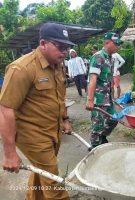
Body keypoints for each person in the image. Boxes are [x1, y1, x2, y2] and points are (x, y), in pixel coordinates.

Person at [0, 22, 74, 200]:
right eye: (59, 46)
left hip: (52, 131)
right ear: (43, 44)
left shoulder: (59, 66)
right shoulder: (22, 68)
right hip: (32, 136)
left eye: (67, 47)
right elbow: (5, 109)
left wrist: (65, 120)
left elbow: (60, 97)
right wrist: (10, 153)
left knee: (43, 172)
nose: (64, 51)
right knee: (54, 182)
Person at [85, 32, 123, 151]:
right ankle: (95, 149)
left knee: (114, 119)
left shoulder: (110, 58)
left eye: (118, 43)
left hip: (108, 99)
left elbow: (109, 81)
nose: (117, 46)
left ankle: (102, 138)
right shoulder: (98, 57)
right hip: (98, 99)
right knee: (97, 126)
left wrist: (113, 98)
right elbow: (93, 79)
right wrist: (90, 100)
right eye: (115, 43)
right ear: (107, 43)